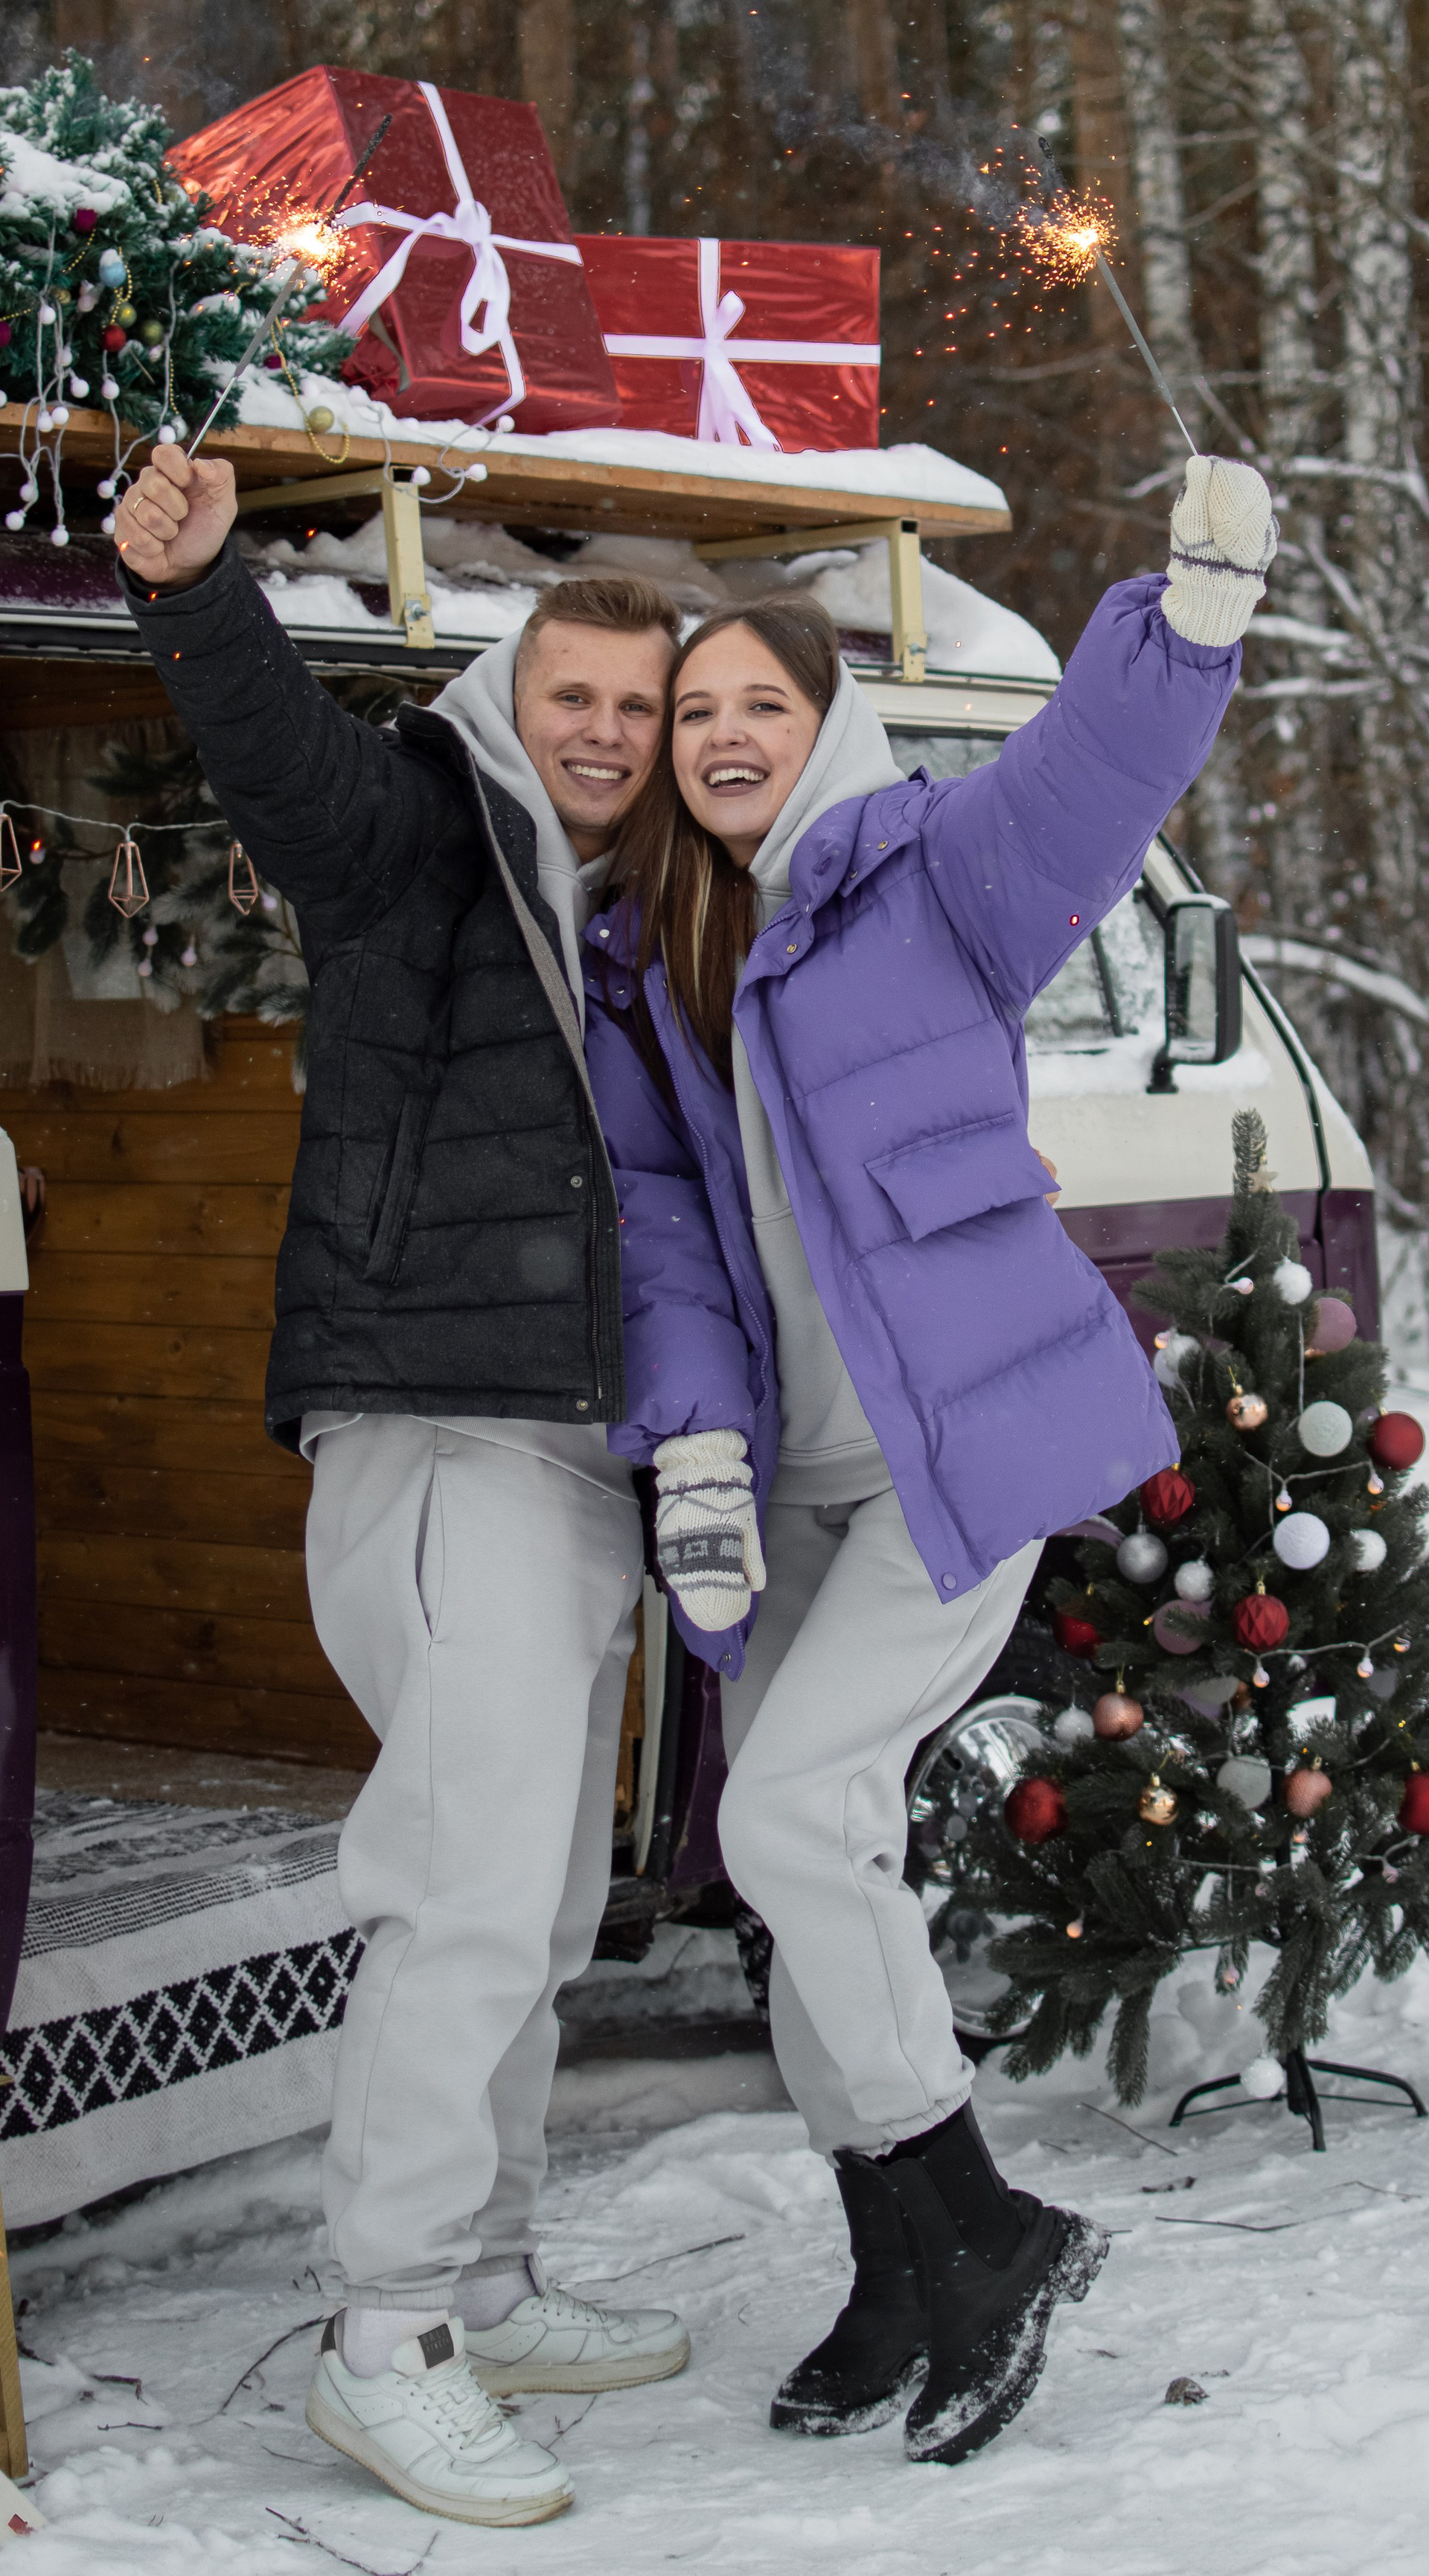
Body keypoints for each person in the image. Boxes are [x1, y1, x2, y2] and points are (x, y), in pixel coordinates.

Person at [581, 455, 1275, 2467]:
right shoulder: (651, 962)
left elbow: (1090, 779)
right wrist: (695, 1451)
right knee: (818, 1867)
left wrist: (1194, 614)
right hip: (784, 1491)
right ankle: (899, 2263)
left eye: (758, 708)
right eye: (695, 713)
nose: (721, 736)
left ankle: (986, 2225)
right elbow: (669, 1238)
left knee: (797, 1813)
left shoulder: (930, 882)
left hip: (946, 1463)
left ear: (828, 730)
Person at [113, 442, 695, 2531]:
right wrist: (198, 599)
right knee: (461, 1887)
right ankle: (387, 2336)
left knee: (538, 1898)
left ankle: (492, 2272)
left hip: (579, 1444)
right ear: (512, 692)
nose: (609, 737)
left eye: (638, 709)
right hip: (442, 1423)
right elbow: (288, 773)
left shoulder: (643, 896)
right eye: (578, 700)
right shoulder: (425, 832)